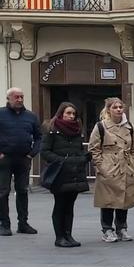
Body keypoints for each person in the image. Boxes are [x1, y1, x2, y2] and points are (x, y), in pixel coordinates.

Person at [88, 97, 134, 242]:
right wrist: (101, 166)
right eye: (115, 107)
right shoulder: (101, 126)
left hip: (126, 165)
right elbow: (94, 148)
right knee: (108, 200)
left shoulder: (129, 126)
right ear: (108, 110)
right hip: (109, 165)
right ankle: (107, 229)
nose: (118, 109)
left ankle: (122, 228)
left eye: (120, 107)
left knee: (124, 198)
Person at [40, 102, 88, 247]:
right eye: (68, 113)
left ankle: (68, 234)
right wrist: (62, 160)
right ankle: (59, 236)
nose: (71, 116)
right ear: (61, 113)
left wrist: (84, 157)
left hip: (74, 172)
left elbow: (79, 149)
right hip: (60, 173)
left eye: (73, 114)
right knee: (60, 204)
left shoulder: (77, 131)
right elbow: (45, 151)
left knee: (70, 205)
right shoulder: (52, 130)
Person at [0, 87, 42, 236]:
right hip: (4, 160)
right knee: (3, 192)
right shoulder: (1, 114)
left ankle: (23, 223)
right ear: (8, 99)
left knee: (22, 191)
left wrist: (32, 154)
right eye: (16, 97)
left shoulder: (31, 116)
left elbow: (39, 137)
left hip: (24, 159)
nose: (20, 100)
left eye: (21, 97)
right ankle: (4, 224)